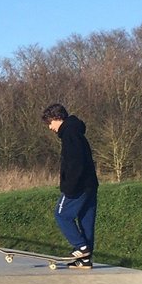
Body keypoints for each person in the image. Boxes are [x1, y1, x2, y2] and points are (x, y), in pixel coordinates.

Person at [42, 103, 98, 267]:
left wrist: (69, 188)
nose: (50, 127)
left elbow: (75, 163)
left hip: (78, 186)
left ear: (57, 118)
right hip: (90, 185)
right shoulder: (76, 131)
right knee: (86, 221)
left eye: (49, 123)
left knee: (62, 215)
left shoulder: (70, 134)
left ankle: (81, 247)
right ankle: (85, 259)